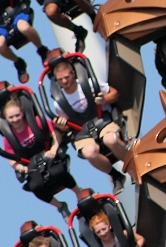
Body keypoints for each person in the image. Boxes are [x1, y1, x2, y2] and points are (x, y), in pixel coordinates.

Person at [46, 54, 129, 193]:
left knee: (110, 140)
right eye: (61, 80)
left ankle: (132, 162)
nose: (65, 81)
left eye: (67, 77)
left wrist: (104, 100)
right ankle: (116, 176)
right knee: (89, 152)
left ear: (73, 73)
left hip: (102, 120)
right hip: (82, 131)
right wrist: (62, 126)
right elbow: (66, 128)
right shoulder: (59, 102)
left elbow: (115, 93)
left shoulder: (89, 85)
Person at [0, 90, 84, 216]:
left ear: (22, 113)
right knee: (35, 186)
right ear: (6, 118)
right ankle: (60, 206)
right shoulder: (8, 138)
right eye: (11, 117)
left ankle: (78, 192)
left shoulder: (35, 122)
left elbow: (55, 133)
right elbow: (11, 159)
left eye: (17, 115)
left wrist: (54, 149)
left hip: (48, 155)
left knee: (58, 171)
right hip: (31, 165)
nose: (15, 120)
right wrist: (20, 167)